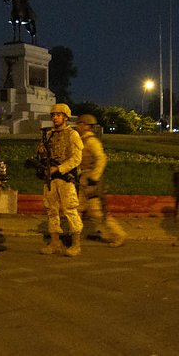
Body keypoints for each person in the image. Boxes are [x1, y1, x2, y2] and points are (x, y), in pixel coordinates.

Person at [38, 103, 84, 257]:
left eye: (58, 115)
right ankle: (55, 242)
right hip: (51, 178)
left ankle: (76, 244)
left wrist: (59, 168)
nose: (55, 118)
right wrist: (41, 151)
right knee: (51, 210)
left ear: (65, 117)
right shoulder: (49, 134)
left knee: (70, 209)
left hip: (65, 177)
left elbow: (77, 158)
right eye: (53, 115)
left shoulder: (72, 135)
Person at [76, 114, 127, 247]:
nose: (78, 126)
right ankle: (75, 235)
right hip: (82, 179)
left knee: (96, 212)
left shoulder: (92, 142)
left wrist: (94, 177)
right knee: (76, 208)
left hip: (91, 181)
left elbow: (101, 159)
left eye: (80, 124)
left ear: (85, 126)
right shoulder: (82, 140)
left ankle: (118, 235)